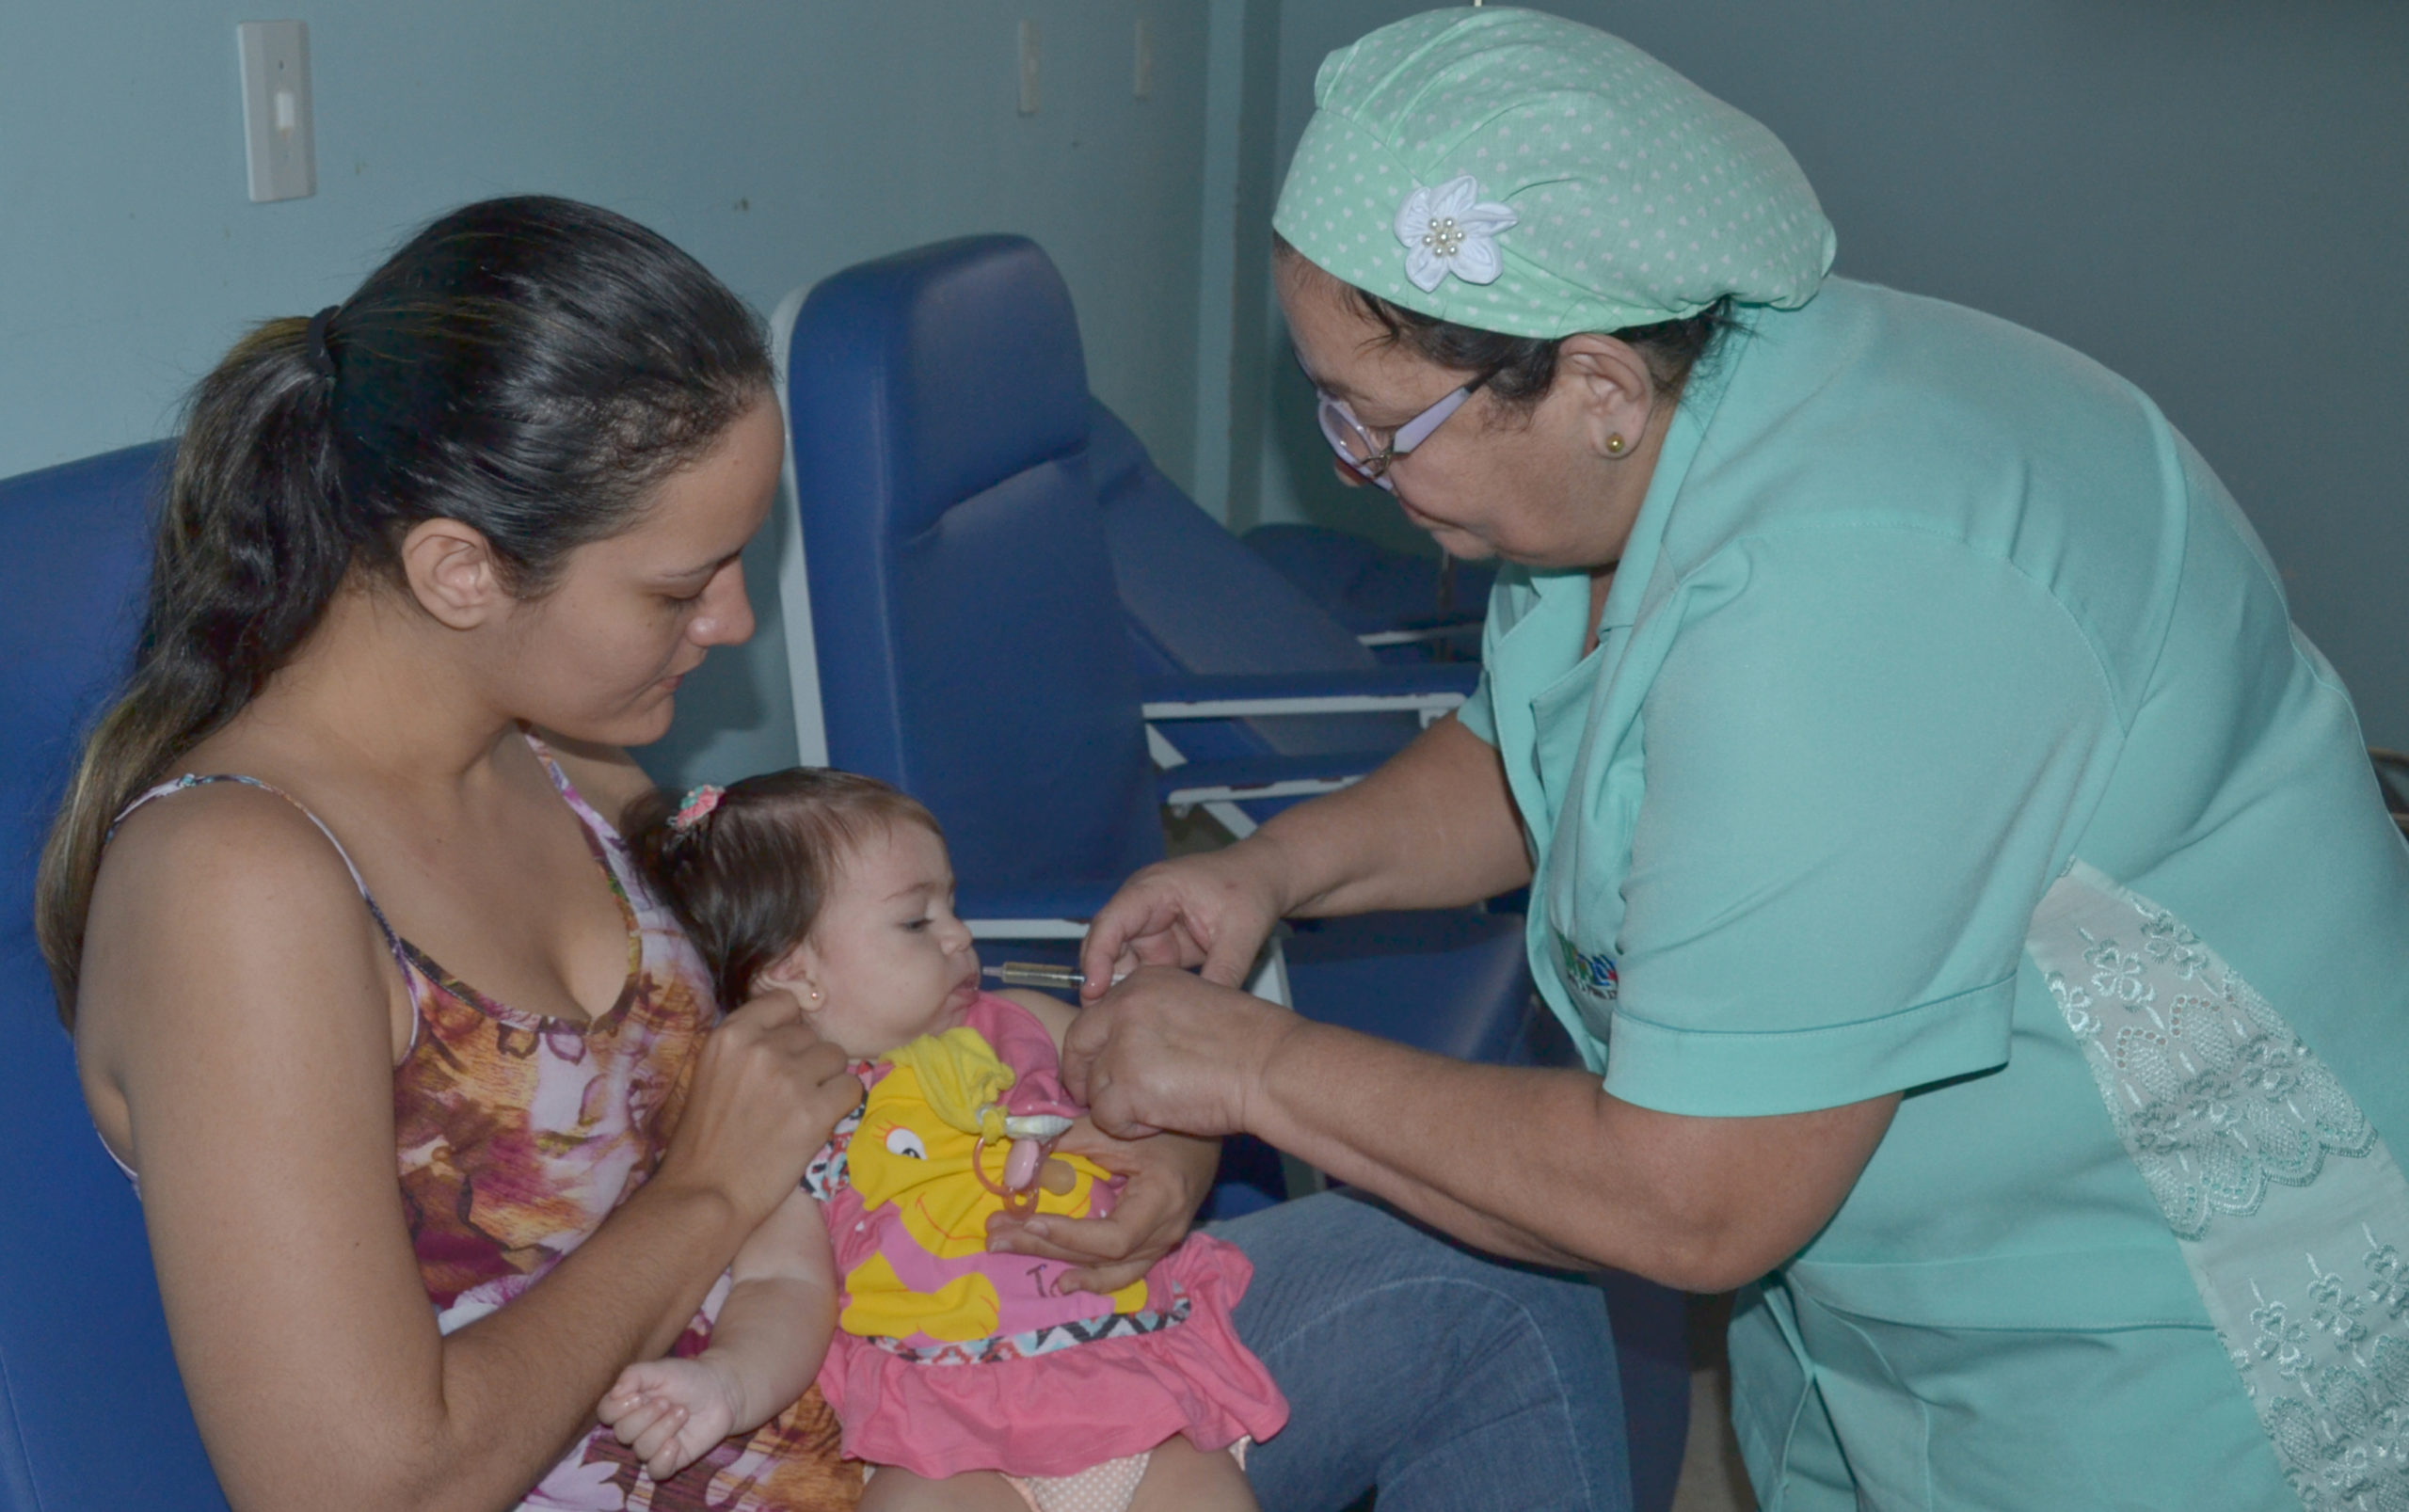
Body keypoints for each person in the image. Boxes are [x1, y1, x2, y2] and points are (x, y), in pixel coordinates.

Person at [42, 193, 1630, 1512]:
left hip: (893, 1390)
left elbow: (869, 1007)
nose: (734, 623)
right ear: (462, 569)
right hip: (807, 1451)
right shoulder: (242, 885)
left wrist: (1140, 1131)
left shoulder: (559, 765)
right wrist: (708, 1192)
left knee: (1493, 1293)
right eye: (681, 588)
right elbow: (358, 1482)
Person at [1063, 9, 2409, 1511]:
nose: (1351, 467)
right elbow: (1542, 750)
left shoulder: (1847, 592)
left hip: (2151, 1322)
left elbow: (1692, 1196)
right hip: (1890, 1285)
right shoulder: (1646, 442)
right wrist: (1270, 870)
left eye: (1381, 424)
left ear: (1593, 385)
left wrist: (1254, 1063)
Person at [597, 770, 1284, 1511]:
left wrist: (1157, 1023)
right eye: (916, 921)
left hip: (1142, 1398)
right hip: (944, 1446)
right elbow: (781, 1285)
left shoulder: (1030, 1023)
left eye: (951, 904)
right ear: (795, 972)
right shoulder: (793, 1115)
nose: (961, 934)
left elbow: (1180, 1100)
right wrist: (727, 1382)